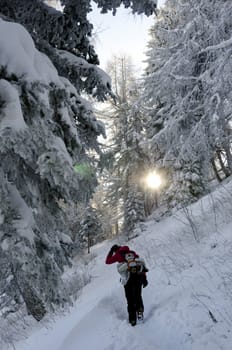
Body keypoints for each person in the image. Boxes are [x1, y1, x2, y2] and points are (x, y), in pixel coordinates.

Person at [105, 244, 148, 326]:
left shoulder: (118, 255)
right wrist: (144, 278)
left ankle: (132, 320)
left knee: (130, 300)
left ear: (116, 250)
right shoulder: (132, 253)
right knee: (138, 296)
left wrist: (111, 251)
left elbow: (107, 261)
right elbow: (141, 265)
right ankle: (140, 312)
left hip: (128, 279)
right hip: (138, 277)